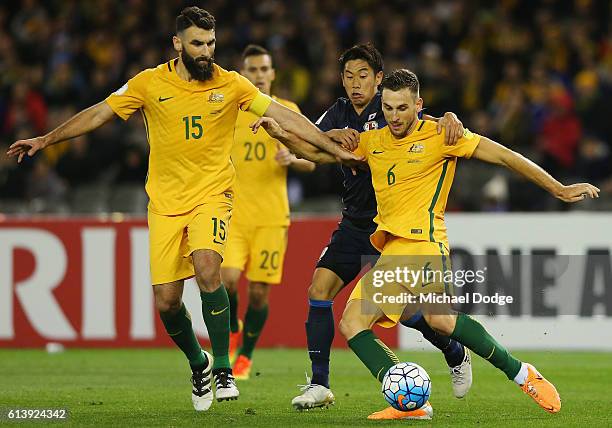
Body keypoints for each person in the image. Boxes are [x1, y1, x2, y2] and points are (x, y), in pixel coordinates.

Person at [6, 6, 356, 412]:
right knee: (167, 303)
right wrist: (46, 140)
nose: (206, 51)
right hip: (166, 204)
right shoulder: (150, 83)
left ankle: (225, 367)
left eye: (210, 43)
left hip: (213, 195)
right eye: (197, 44)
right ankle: (200, 363)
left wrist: (333, 150)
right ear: (178, 44)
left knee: (210, 268)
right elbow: (101, 112)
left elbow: (286, 117)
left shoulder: (232, 84)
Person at [253, 68, 599, 419]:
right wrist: (280, 134)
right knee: (425, 321)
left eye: (402, 108)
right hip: (393, 251)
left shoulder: (442, 135)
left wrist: (558, 188)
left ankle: (499, 377)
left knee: (405, 321)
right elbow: (323, 155)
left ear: (418, 104)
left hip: (424, 245)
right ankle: (491, 380)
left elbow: (505, 156)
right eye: (387, 108)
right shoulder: (373, 141)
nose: (394, 116)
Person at [285, 44, 471, 414]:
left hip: (394, 225)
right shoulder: (337, 112)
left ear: (379, 79)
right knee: (319, 288)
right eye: (349, 77)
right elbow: (312, 146)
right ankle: (320, 384)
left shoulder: (388, 108)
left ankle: (454, 350)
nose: (356, 84)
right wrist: (311, 134)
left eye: (363, 76)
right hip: (356, 223)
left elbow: (425, 125)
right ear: (341, 80)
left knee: (406, 312)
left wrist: (450, 116)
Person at [221, 44, 315, 380]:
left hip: (272, 217)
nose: (259, 76)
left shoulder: (288, 110)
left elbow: (313, 159)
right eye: (253, 70)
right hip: (233, 215)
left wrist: (294, 158)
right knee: (226, 280)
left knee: (259, 292)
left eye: (264, 70)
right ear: (242, 74)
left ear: (273, 74)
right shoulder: (230, 110)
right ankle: (232, 327)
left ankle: (244, 355)